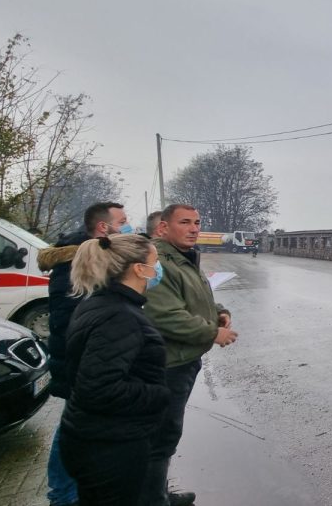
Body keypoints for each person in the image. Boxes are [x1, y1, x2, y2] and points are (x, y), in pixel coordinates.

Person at [59, 234, 170, 506]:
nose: (157, 270)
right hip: (110, 446)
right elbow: (98, 388)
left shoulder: (101, 304)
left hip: (92, 437)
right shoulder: (119, 316)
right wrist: (158, 394)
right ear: (139, 269)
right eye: (154, 262)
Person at [140, 204, 238, 506]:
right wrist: (212, 333)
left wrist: (218, 311)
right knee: (161, 437)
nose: (194, 228)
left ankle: (159, 494)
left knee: (167, 435)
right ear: (163, 228)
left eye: (197, 222)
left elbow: (195, 294)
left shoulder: (182, 256)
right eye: (185, 222)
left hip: (182, 359)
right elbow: (165, 314)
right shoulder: (156, 261)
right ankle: (153, 501)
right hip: (168, 362)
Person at [38, 202, 130, 506]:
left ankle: (76, 490)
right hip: (78, 361)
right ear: (104, 227)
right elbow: (70, 319)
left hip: (88, 360)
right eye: (123, 221)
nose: (127, 226)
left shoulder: (96, 256)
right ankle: (62, 496)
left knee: (81, 427)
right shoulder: (76, 262)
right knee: (71, 429)